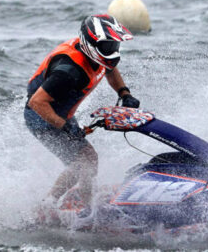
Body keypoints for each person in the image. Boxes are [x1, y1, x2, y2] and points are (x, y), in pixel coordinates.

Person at [24, 14, 140, 227]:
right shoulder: (68, 71)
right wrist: (64, 127)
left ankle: (88, 205)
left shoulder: (99, 55)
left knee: (88, 160)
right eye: (108, 45)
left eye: (115, 44)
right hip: (42, 117)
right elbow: (37, 102)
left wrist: (124, 93)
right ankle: (46, 205)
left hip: (61, 113)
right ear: (92, 43)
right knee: (82, 164)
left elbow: (110, 68)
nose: (112, 49)